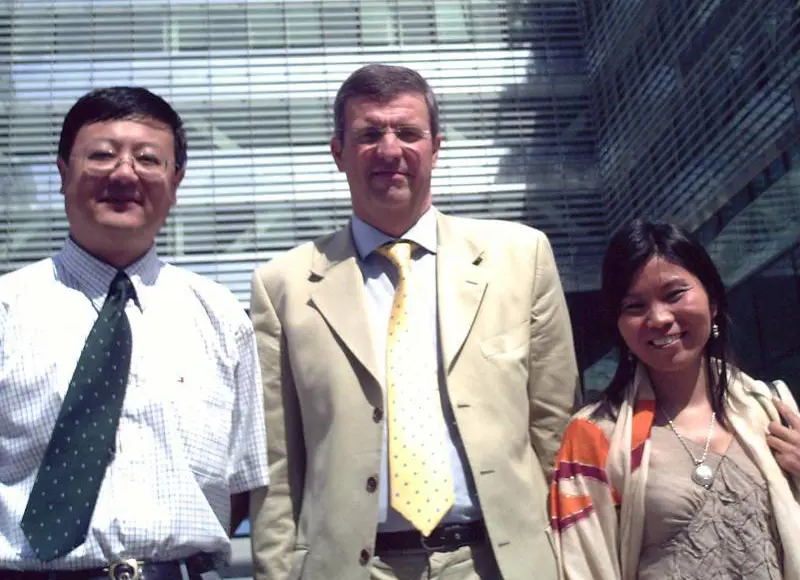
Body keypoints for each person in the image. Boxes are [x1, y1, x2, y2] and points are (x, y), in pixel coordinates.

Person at [249, 63, 579, 580]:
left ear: (436, 147)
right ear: (338, 153)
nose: (389, 149)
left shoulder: (522, 257)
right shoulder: (283, 286)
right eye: (369, 134)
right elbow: (277, 463)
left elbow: (556, 429)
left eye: (407, 132)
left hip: (499, 562)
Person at [0, 87, 268, 580]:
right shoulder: (6, 310)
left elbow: (243, 483)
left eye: (148, 159)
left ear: (175, 181)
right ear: (63, 173)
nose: (124, 174)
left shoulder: (221, 317)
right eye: (102, 155)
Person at [550, 219, 800, 580]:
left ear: (713, 301)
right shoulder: (594, 435)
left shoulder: (769, 411)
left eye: (674, 294)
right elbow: (583, 566)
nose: (659, 318)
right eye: (634, 306)